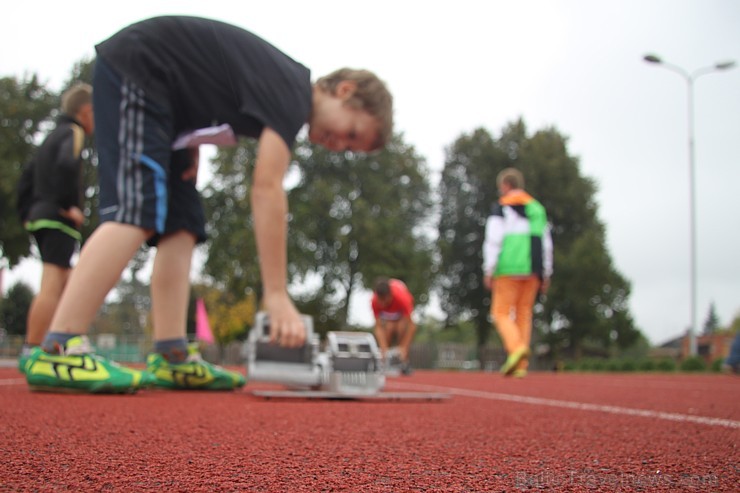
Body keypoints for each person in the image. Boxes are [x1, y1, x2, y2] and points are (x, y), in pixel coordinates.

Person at [24, 15, 393, 393]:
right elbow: (267, 188)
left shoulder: (282, 91)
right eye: (350, 132)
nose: (340, 145)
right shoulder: (293, 93)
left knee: (183, 222)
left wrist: (192, 142)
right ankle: (59, 347)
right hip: (139, 68)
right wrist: (277, 295)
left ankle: (171, 355)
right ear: (344, 91)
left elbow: (209, 78)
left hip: (171, 112)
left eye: (350, 149)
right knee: (138, 209)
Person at [16, 83, 95, 373]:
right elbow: (65, 166)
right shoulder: (72, 132)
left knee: (65, 282)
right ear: (85, 111)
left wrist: (27, 211)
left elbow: (27, 176)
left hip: (41, 213)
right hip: (56, 216)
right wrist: (67, 205)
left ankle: (56, 343)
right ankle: (34, 350)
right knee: (53, 281)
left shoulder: (50, 137)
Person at [482, 168, 553, 378]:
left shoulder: (502, 208)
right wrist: (546, 272)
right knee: (524, 313)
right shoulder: (537, 209)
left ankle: (516, 348)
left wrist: (489, 268)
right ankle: (521, 365)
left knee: (500, 312)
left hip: (508, 267)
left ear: (505, 186)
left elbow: (493, 239)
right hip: (533, 268)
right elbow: (547, 243)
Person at [371, 277, 416, 375]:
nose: (382, 304)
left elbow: (411, 326)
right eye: (380, 300)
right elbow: (378, 327)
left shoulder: (402, 299)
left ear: (390, 295)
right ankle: (385, 360)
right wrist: (384, 349)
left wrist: (404, 347)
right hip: (389, 320)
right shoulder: (374, 301)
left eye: (385, 300)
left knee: (401, 328)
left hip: (401, 317)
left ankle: (404, 361)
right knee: (388, 329)